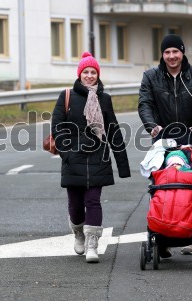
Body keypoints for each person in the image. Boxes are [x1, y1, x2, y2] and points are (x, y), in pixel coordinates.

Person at [51, 51, 131, 263]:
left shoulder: (104, 99)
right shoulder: (66, 96)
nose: (89, 75)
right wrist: (67, 153)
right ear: (79, 74)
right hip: (73, 159)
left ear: (97, 74)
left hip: (99, 157)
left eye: (93, 72)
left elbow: (113, 130)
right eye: (85, 72)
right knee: (75, 206)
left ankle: (92, 244)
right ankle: (78, 232)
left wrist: (122, 165)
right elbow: (57, 127)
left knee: (93, 201)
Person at [138, 34, 192, 257]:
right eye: (167, 52)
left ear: (182, 52)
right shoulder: (151, 77)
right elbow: (145, 104)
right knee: (161, 186)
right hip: (162, 139)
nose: (171, 56)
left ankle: (191, 232)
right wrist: (151, 125)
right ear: (162, 55)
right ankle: (162, 239)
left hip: (191, 138)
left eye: (175, 52)